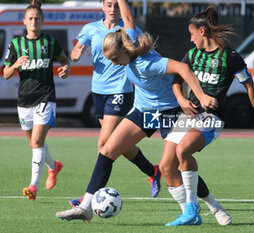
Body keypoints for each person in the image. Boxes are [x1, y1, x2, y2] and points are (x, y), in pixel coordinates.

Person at [56, 0, 219, 223]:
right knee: (107, 150)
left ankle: (212, 205)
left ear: (124, 50)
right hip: (143, 111)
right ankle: (85, 207)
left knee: (175, 165)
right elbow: (129, 18)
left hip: (169, 112)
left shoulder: (146, 63)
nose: (113, 64)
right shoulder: (127, 37)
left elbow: (182, 68)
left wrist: (199, 96)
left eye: (114, 59)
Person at [160, 6, 254, 226]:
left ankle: (191, 209)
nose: (190, 40)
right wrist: (181, 100)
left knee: (183, 150)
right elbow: (177, 82)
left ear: (202, 31)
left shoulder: (230, 56)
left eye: (191, 34)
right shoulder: (192, 55)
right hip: (188, 115)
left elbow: (250, 86)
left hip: (212, 118)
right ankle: (209, 208)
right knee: (165, 167)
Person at [68, 0, 161, 203]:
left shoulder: (127, 30)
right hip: (98, 91)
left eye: (116, 5)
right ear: (102, 6)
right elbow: (76, 52)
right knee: (116, 144)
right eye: (109, 5)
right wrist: (74, 56)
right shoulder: (90, 28)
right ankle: (153, 171)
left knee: (104, 144)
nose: (112, 9)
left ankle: (88, 199)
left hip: (120, 91)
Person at [2, 0, 70, 200]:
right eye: (30, 18)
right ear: (24, 21)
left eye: (37, 18)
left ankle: (33, 186)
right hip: (24, 100)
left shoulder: (50, 42)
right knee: (34, 143)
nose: (34, 21)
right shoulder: (16, 44)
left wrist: (66, 68)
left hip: (46, 97)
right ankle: (54, 166)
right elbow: (5, 73)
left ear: (42, 21)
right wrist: (15, 64)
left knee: (37, 141)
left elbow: (64, 60)